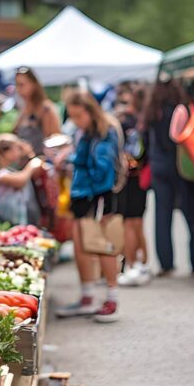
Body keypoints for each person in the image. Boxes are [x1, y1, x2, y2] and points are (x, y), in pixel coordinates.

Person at [57, 90, 122, 323]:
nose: (75, 120)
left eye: (78, 115)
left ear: (90, 111)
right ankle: (88, 298)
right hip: (83, 193)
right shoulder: (85, 132)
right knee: (82, 244)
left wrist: (75, 162)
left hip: (97, 195)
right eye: (72, 116)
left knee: (102, 244)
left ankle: (111, 299)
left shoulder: (105, 132)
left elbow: (103, 168)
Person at [143, 80, 194, 275]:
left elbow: (145, 140)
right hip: (179, 167)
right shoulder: (179, 110)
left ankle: (165, 262)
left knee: (162, 214)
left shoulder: (152, 112)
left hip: (158, 166)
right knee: (190, 211)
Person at [115, 84, 151, 286]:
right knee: (138, 221)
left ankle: (131, 264)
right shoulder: (145, 121)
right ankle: (143, 263)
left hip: (128, 177)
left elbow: (130, 153)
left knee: (129, 222)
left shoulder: (126, 122)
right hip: (141, 176)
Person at [0, 134, 43, 226]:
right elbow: (21, 181)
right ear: (6, 152)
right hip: (4, 222)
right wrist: (32, 164)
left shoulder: (12, 171)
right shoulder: (1, 175)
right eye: (18, 148)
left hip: (17, 221)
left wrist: (30, 155)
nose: (20, 152)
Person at [13, 67, 61, 156]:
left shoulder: (46, 109)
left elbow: (54, 139)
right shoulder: (23, 109)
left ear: (33, 84)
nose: (18, 89)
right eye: (17, 85)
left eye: (22, 85)